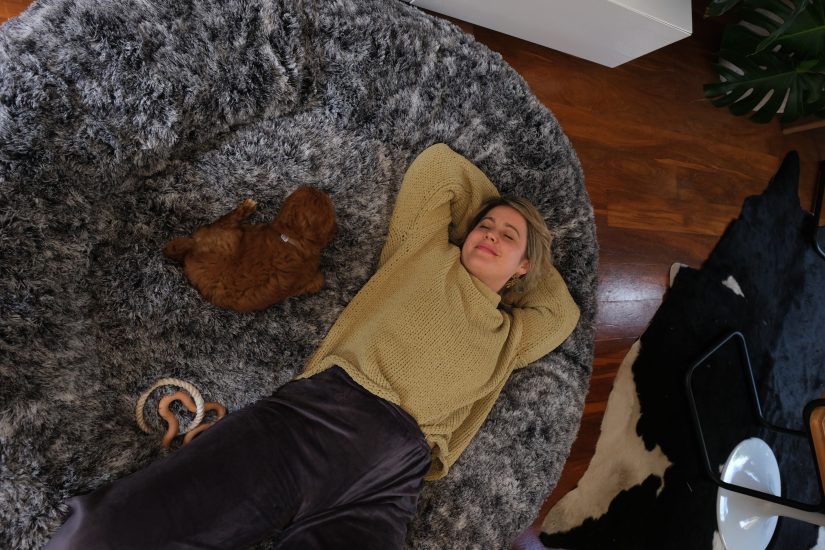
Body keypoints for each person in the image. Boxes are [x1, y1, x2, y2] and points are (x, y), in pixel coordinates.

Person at [45, 143, 580, 550]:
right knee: (124, 527)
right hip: (312, 421)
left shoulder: (513, 335)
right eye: (484, 225)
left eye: (508, 238)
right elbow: (440, 167)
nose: (489, 234)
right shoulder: (423, 254)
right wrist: (491, 213)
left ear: (526, 267)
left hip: (392, 478)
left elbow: (564, 311)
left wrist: (527, 247)